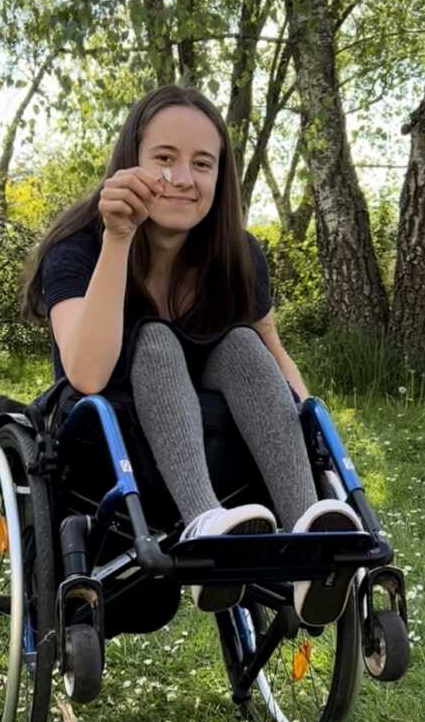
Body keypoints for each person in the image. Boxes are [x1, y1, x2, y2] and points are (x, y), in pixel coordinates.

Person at [21, 84, 361, 621]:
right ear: (130, 162)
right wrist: (118, 239)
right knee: (155, 340)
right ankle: (205, 526)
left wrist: (318, 442)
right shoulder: (79, 246)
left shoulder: (237, 255)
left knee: (245, 344)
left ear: (220, 177)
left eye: (202, 163)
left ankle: (306, 535)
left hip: (220, 447)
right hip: (111, 449)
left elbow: (273, 354)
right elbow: (85, 374)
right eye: (164, 159)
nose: (182, 179)